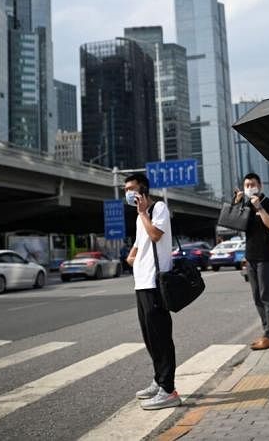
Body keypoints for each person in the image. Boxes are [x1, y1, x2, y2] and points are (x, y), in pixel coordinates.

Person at [124, 173, 181, 410]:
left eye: (131, 189)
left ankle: (169, 390)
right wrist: (133, 256)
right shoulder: (141, 216)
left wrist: (143, 214)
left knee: (161, 337)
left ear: (143, 190)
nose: (128, 193)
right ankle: (159, 381)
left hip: (156, 282)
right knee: (149, 337)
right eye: (125, 190)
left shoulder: (158, 209)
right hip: (141, 283)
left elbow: (156, 235)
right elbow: (140, 244)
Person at [235, 172, 269, 350]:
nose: (249, 187)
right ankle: (267, 332)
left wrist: (259, 208)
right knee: (256, 297)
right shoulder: (245, 205)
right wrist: (237, 203)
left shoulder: (268, 203)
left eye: (252, 184)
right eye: (246, 185)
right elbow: (234, 225)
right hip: (250, 256)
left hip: (265, 257)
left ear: (259, 186)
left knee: (266, 296)